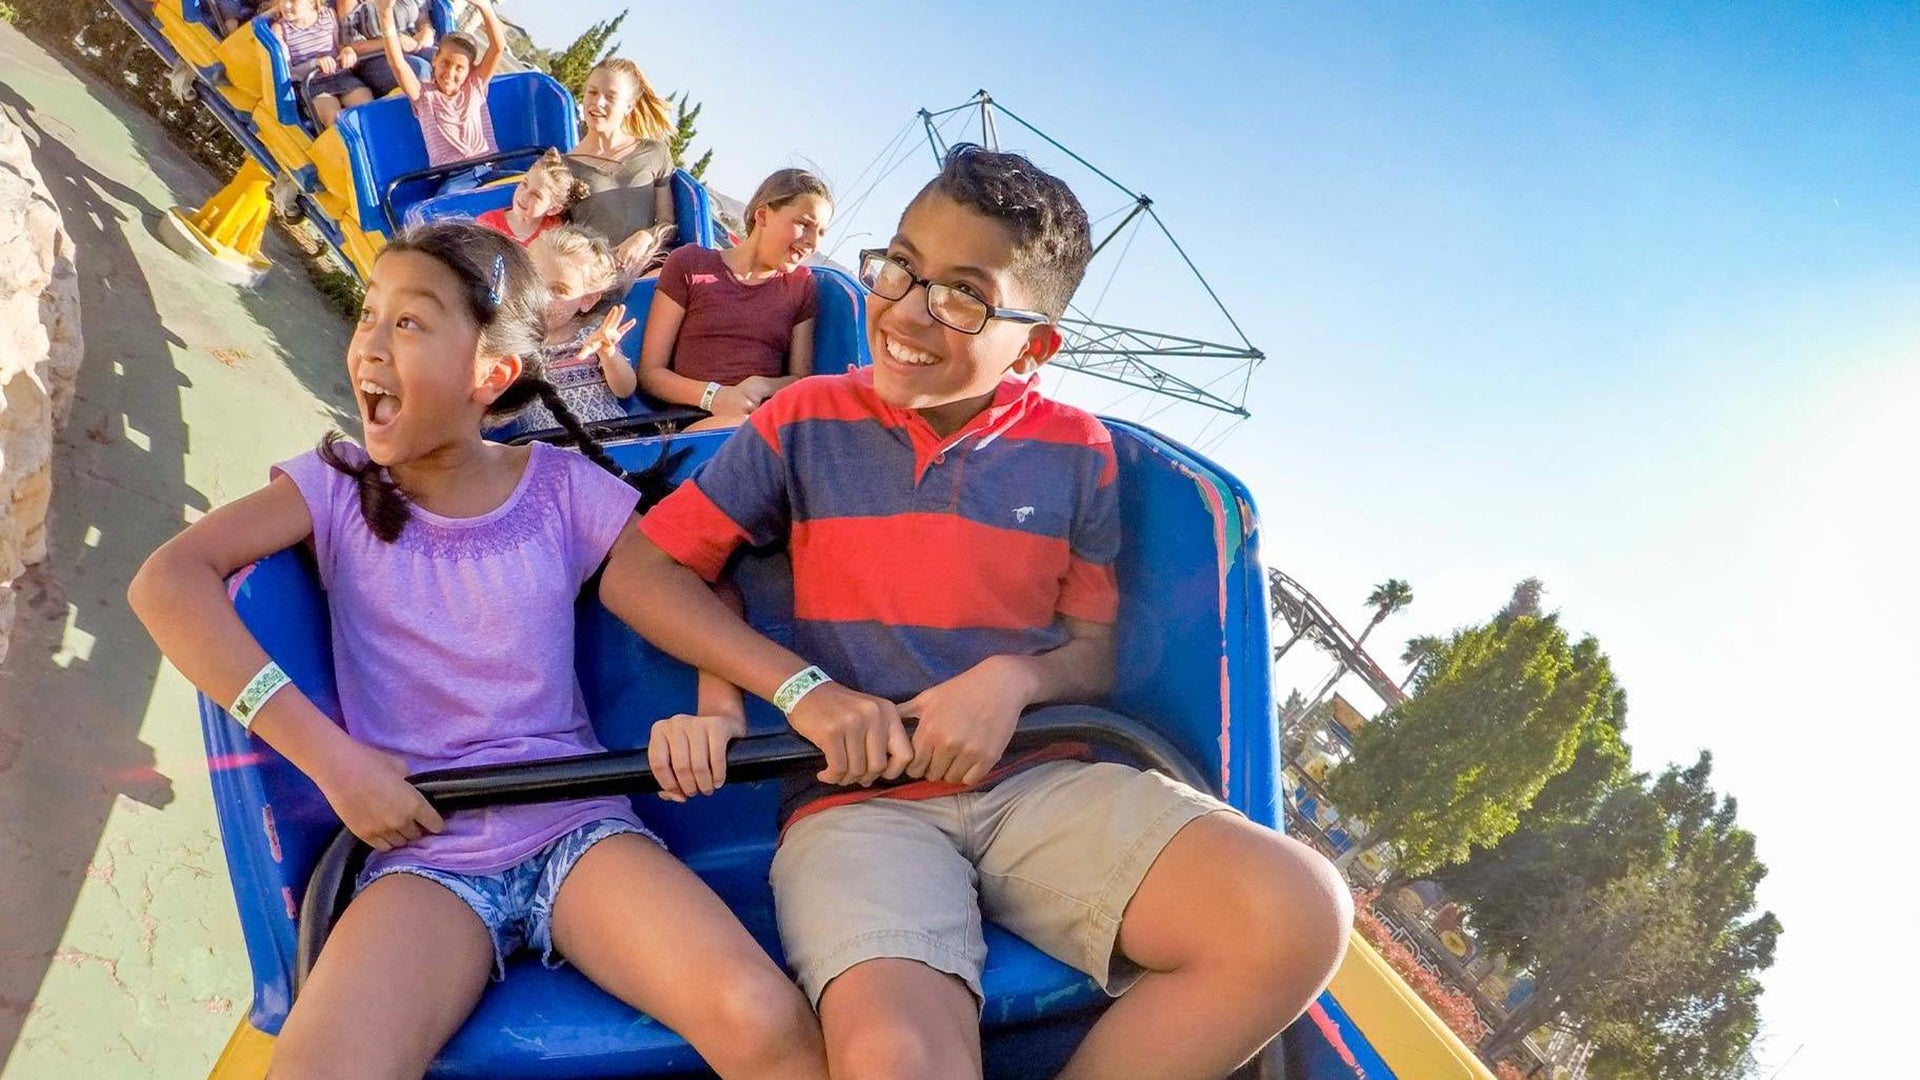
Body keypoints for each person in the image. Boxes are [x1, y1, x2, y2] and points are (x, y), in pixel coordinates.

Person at [600, 146, 1353, 1079]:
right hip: (857, 805)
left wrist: (1013, 679)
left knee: (1297, 913)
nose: (911, 309)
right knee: (900, 1057)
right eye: (901, 266)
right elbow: (641, 575)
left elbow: (1092, 653)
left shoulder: (1080, 455)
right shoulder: (802, 419)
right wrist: (804, 693)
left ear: (1034, 346)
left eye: (965, 294)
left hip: (1037, 783)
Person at [127, 222, 826, 1080]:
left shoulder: (561, 490)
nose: (371, 347)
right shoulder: (338, 485)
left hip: (575, 823)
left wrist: (733, 705)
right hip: (424, 848)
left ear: (489, 376)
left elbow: (688, 579)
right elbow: (168, 582)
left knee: (765, 1020)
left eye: (410, 324)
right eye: (368, 315)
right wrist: (335, 761)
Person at [636, 169, 827, 431]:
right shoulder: (690, 263)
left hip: (762, 427)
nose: (813, 242)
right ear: (763, 215)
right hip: (694, 426)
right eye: (804, 224)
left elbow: (801, 379)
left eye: (822, 232)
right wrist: (713, 396)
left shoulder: (801, 285)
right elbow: (651, 373)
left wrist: (763, 384)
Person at [498, 225, 641, 431]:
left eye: (559, 290)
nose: (543, 297)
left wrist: (607, 352)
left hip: (604, 439)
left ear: (587, 300)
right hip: (548, 445)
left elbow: (625, 389)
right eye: (536, 282)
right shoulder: (518, 338)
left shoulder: (594, 334)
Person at [375, 0, 506, 193]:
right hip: (454, 176)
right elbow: (397, 64)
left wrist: (484, 7)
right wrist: (385, 15)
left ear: (469, 71)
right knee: (442, 214)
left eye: (459, 68)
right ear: (435, 59)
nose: (450, 73)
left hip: (488, 168)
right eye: (446, 63)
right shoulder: (423, 95)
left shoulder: (475, 86)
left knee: (523, 185)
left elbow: (498, 48)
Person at [565, 58, 678, 274]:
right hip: (587, 275)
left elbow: (667, 224)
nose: (598, 103)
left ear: (629, 106)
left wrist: (645, 237)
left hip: (642, 272)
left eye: (610, 97)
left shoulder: (655, 153)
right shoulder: (565, 165)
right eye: (592, 92)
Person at [272, 0, 370, 129]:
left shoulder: (328, 15)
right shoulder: (280, 29)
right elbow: (289, 71)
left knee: (367, 110)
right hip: (312, 86)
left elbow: (341, 46)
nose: (286, 5)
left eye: (293, 1)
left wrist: (347, 52)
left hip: (342, 77)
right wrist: (315, 63)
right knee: (335, 121)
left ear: (312, 3)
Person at [476, 150, 590, 245]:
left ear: (553, 209)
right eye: (524, 184)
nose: (524, 196)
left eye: (536, 195)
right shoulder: (487, 223)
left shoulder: (555, 232)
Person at [335, 0, 436, 98]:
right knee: (420, 69)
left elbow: (422, 15)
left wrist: (427, 30)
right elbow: (349, 46)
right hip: (374, 57)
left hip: (412, 44)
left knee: (441, 61)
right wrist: (394, 42)